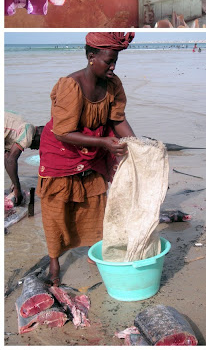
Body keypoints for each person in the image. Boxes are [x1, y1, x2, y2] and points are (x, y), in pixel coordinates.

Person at [37, 32, 138, 285]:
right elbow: (63, 132)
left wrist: (136, 146)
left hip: (93, 149)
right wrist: (104, 142)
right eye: (108, 61)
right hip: (62, 149)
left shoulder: (113, 84)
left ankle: (96, 253)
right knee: (56, 208)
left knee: (95, 201)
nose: (113, 67)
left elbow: (117, 120)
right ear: (92, 57)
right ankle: (54, 262)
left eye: (115, 61)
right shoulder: (71, 85)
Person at [4, 112, 43, 206]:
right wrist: (17, 188)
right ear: (39, 135)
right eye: (40, 145)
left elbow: (6, 158)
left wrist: (14, 183)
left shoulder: (18, 129)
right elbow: (11, 160)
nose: (37, 149)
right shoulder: (29, 130)